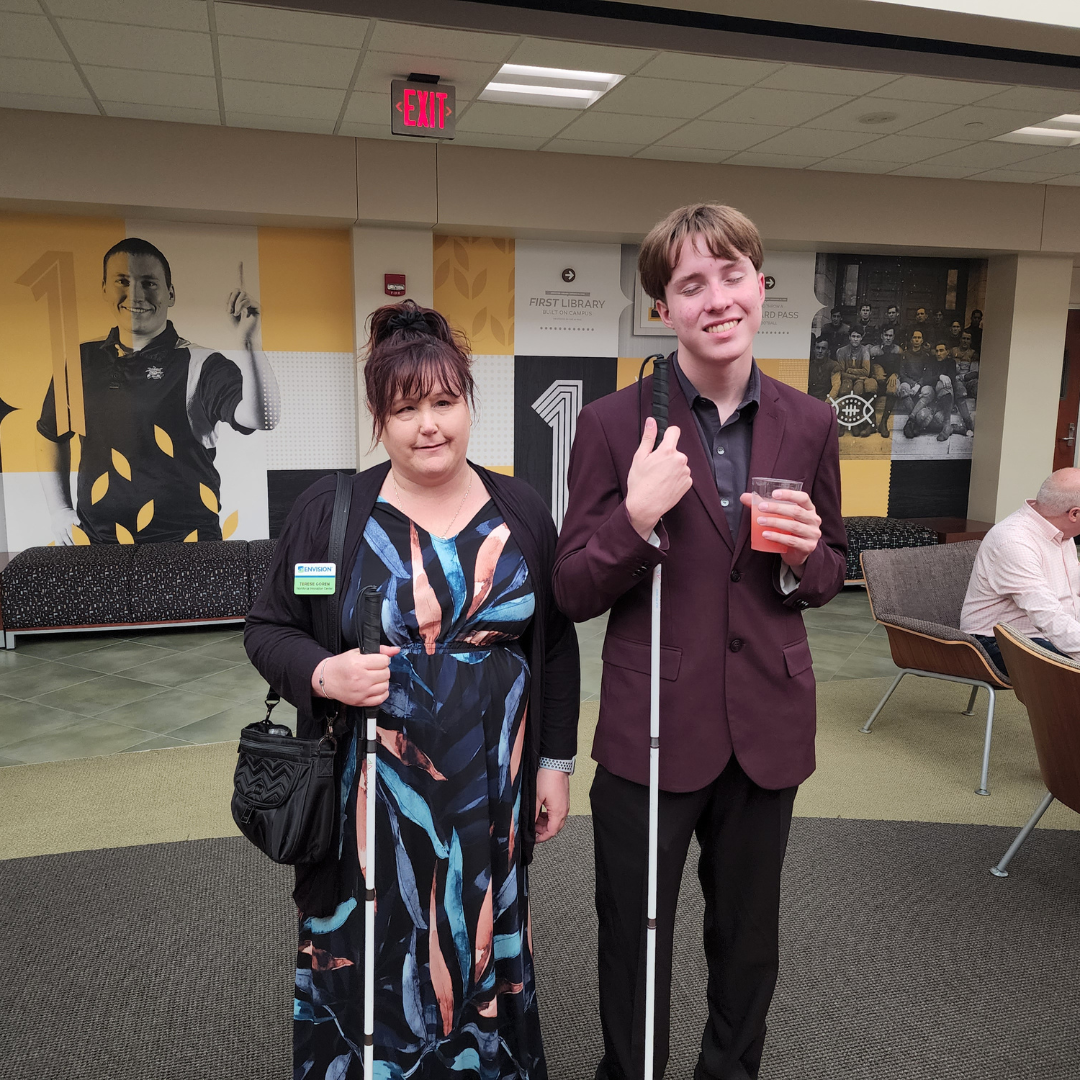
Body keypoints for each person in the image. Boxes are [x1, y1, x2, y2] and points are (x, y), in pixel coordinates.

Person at [245, 301, 580, 1079]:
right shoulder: (331, 515)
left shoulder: (521, 509)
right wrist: (321, 672)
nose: (429, 425)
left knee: (470, 939)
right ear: (379, 418)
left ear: (468, 402)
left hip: (489, 797)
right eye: (406, 408)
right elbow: (269, 628)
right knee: (377, 947)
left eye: (444, 402)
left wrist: (555, 762)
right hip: (371, 804)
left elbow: (554, 644)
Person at [553, 203, 846, 1080]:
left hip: (769, 726)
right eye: (691, 284)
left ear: (762, 287)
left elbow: (831, 572)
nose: (715, 298)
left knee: (749, 943)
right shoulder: (613, 425)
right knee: (635, 939)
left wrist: (804, 556)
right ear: (664, 308)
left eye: (731, 276)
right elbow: (570, 588)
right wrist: (635, 520)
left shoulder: (812, 421)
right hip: (653, 730)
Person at [36, 237, 280, 544]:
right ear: (104, 290)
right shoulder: (81, 361)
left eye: (149, 283)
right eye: (122, 281)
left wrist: (249, 342)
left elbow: (263, 417)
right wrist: (59, 510)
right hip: (100, 547)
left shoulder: (203, 363)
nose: (135, 293)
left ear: (170, 294)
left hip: (189, 548)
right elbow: (50, 433)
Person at [960, 469, 1080, 675]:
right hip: (995, 642)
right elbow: (1047, 616)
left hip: (1045, 633)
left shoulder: (1063, 534)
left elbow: (1071, 599)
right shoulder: (1014, 542)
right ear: (1074, 514)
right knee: (1070, 673)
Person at [869, 326, 903, 437]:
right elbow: (870, 367)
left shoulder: (897, 350)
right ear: (881, 336)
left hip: (890, 380)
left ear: (893, 337)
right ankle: (872, 421)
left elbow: (901, 367)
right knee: (869, 386)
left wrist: (895, 374)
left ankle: (883, 422)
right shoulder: (874, 350)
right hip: (879, 381)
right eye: (886, 335)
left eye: (890, 335)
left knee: (893, 387)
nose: (888, 338)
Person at [807, 336, 840, 402]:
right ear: (814, 349)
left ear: (828, 351)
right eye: (818, 348)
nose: (820, 351)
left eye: (823, 348)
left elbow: (836, 387)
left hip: (826, 399)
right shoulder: (809, 365)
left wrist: (827, 402)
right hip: (810, 399)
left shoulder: (834, 365)